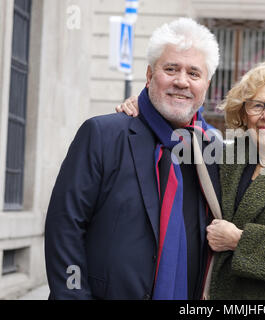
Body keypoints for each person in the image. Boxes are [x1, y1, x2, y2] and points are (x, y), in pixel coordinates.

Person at [118, 63, 265, 299]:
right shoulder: (230, 157)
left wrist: (239, 241)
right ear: (243, 114)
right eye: (256, 106)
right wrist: (145, 109)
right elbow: (183, 135)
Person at [45, 18, 221, 300]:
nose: (181, 81)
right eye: (171, 69)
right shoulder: (102, 134)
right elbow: (65, 226)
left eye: (193, 73)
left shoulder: (211, 154)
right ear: (150, 75)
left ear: (206, 85)